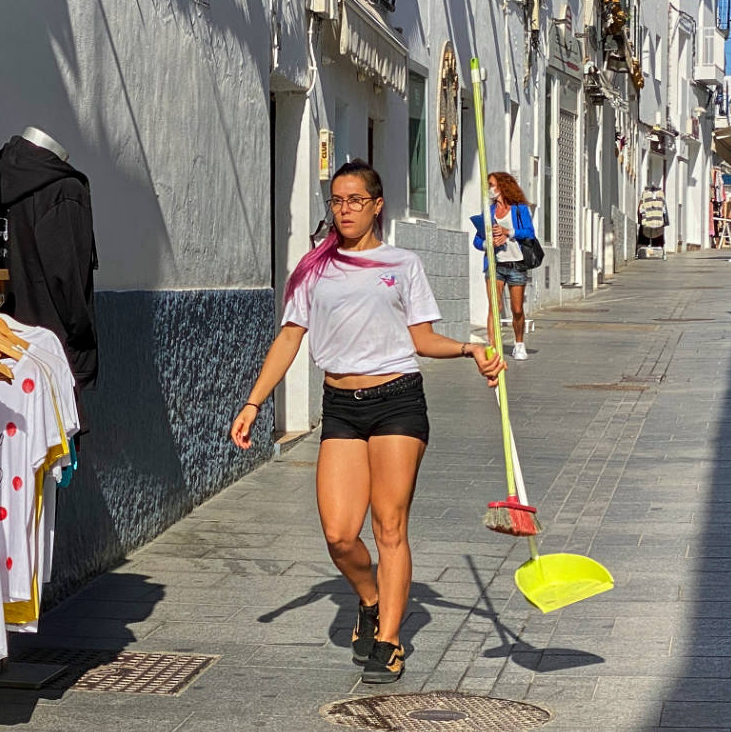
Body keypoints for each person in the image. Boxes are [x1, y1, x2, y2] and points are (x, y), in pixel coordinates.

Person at [230, 163, 504, 686]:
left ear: (377, 204)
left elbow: (422, 339)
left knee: (389, 526)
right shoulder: (315, 269)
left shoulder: (402, 264)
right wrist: (253, 403)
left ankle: (390, 640)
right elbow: (290, 337)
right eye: (337, 201)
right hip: (341, 406)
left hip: (398, 400)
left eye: (356, 200)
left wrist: (471, 349)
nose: (345, 210)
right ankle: (372, 597)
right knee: (338, 535)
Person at [481, 172, 537, 361]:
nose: (489, 189)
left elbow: (529, 233)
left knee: (517, 309)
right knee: (494, 307)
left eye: (492, 184)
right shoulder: (488, 212)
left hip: (516, 264)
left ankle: (519, 343)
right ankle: (493, 347)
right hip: (495, 264)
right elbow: (477, 239)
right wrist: (488, 243)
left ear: (503, 186)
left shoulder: (519, 209)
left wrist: (508, 232)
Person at [637, 185, 668, 257]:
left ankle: (639, 252)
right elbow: (664, 210)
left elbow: (640, 210)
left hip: (647, 222)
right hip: (658, 222)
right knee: (655, 234)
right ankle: (663, 252)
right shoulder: (661, 195)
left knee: (647, 233)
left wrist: (641, 218)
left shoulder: (645, 195)